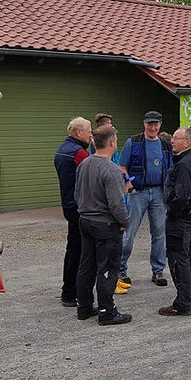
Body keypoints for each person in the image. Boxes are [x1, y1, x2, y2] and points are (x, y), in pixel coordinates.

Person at [74, 124, 132, 326]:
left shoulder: (84, 164)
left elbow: (77, 194)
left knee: (86, 265)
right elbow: (116, 203)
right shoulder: (111, 170)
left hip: (85, 219)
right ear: (112, 143)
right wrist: (125, 222)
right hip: (105, 224)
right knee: (107, 267)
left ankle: (84, 306)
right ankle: (107, 311)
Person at [118, 111, 171, 290]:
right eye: (150, 124)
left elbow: (171, 168)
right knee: (129, 231)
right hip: (138, 192)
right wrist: (129, 185)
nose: (153, 127)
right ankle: (121, 270)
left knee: (159, 233)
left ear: (160, 125)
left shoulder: (165, 144)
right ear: (144, 124)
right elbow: (122, 166)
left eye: (156, 124)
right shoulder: (133, 142)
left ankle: (158, 270)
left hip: (158, 192)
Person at [159, 127, 191, 317]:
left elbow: (182, 195)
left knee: (179, 259)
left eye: (176, 138)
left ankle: (183, 302)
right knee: (189, 257)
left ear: (187, 142)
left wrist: (171, 206)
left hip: (182, 218)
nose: (172, 141)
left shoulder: (186, 162)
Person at [54, 117, 92, 307]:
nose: (91, 134)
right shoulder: (79, 153)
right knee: (80, 251)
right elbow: (92, 173)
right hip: (79, 206)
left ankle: (68, 290)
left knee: (72, 248)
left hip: (68, 203)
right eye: (88, 130)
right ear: (79, 133)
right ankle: (71, 292)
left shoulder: (62, 149)